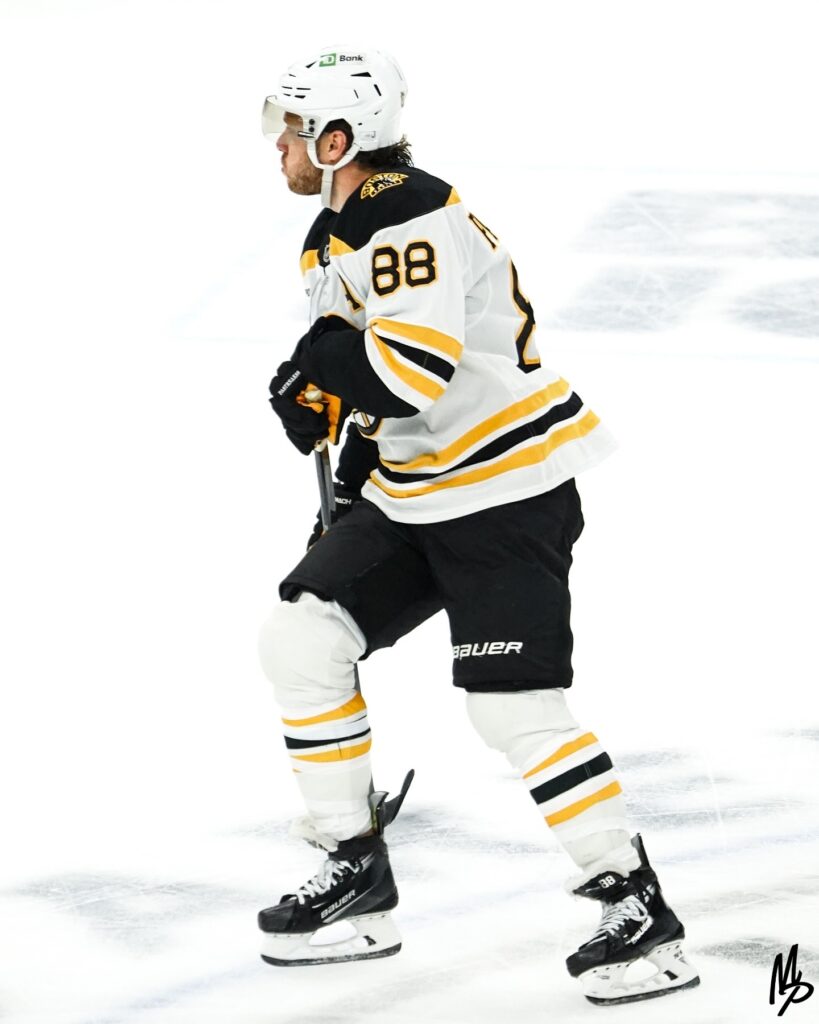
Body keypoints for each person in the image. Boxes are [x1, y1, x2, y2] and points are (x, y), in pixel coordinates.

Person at [256, 47, 700, 1005]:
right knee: (302, 637)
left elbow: (409, 373)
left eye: (292, 130)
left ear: (337, 141)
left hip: (505, 493)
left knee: (511, 711)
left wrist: (323, 366)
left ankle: (636, 909)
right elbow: (374, 387)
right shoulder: (336, 232)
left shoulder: (407, 218)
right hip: (417, 491)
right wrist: (340, 445)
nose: (277, 146)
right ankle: (354, 874)